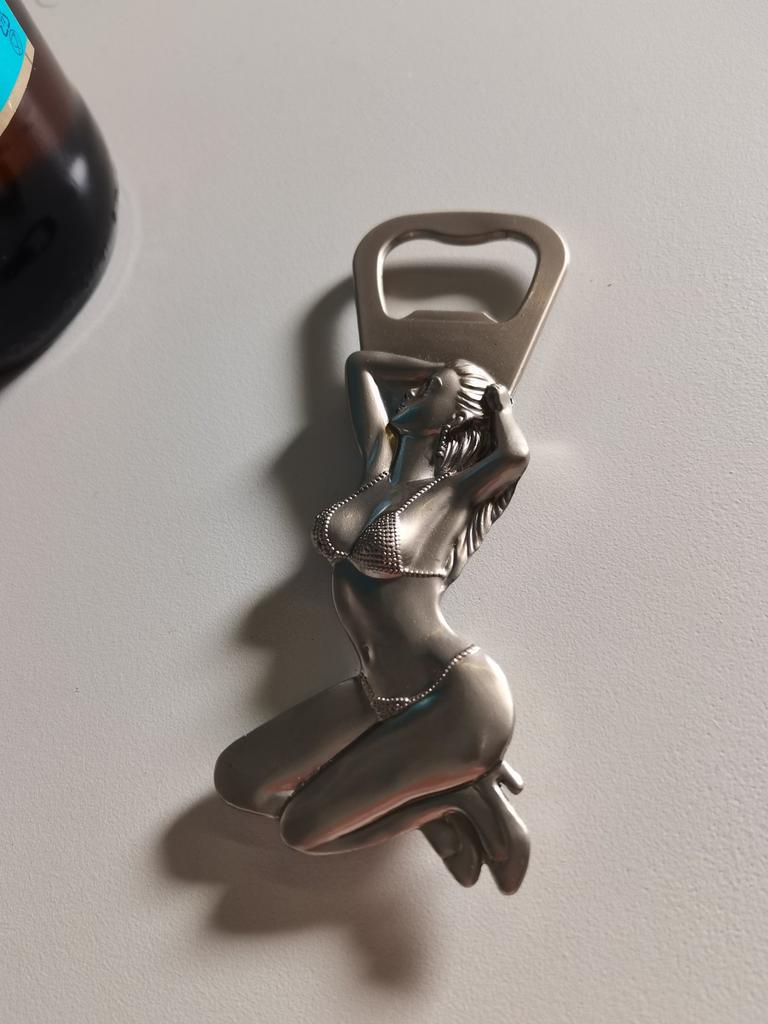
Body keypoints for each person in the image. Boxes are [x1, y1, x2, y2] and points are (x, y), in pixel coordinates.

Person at [215, 350, 531, 892]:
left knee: (302, 830)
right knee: (241, 781)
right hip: (377, 693)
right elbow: (359, 365)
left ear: (456, 417)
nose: (412, 392)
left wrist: (496, 404)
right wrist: (438, 368)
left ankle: (455, 798)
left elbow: (514, 456)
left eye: (429, 389)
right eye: (417, 385)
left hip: (453, 695)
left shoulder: (454, 494)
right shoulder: (379, 472)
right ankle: (443, 794)